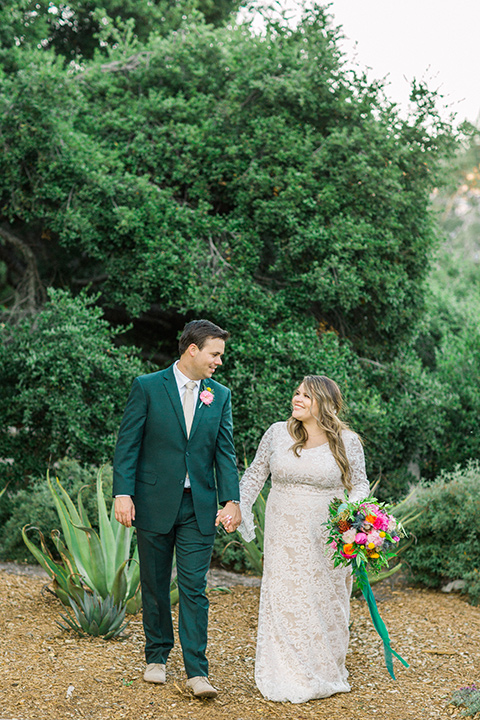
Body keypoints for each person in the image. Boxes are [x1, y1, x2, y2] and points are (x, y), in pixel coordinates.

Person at [113, 319, 241, 699]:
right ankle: (156, 657)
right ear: (192, 350)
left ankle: (197, 671)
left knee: (194, 588)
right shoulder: (148, 387)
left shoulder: (219, 395)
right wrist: (123, 493)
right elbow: (128, 444)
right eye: (214, 354)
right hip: (152, 502)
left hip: (198, 506)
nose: (218, 361)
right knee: (154, 584)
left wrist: (230, 500)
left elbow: (225, 451)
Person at [238, 375, 369, 704]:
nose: (297, 399)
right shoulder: (277, 433)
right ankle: (285, 672)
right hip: (283, 532)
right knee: (284, 596)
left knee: (325, 600)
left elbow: (360, 485)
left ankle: (323, 668)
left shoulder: (347, 440)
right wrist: (241, 510)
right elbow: (255, 474)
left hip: (328, 534)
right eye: (297, 393)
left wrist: (350, 515)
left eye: (306, 396)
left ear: (325, 404)